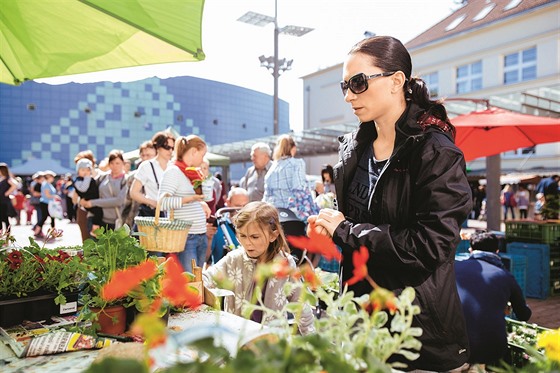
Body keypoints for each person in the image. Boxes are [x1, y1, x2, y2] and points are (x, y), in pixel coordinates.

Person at [308, 36, 472, 371]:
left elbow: (429, 246)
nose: (349, 95)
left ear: (397, 81)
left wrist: (346, 230)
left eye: (359, 82)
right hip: (358, 325)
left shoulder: (435, 152)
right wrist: (335, 228)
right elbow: (359, 234)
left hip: (417, 335)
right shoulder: (353, 150)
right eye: (345, 85)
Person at [202, 201, 315, 335]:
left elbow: (300, 304)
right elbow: (207, 278)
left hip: (271, 341)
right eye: (242, 236)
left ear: (273, 235)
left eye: (255, 237)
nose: (247, 242)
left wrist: (312, 339)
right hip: (237, 336)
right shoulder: (234, 259)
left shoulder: (284, 263)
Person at [455, 232, 531, 368]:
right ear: (497, 251)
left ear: (470, 250)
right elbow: (524, 315)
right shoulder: (504, 276)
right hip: (490, 348)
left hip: (452, 345)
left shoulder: (453, 268)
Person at [159, 135, 210, 272]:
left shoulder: (189, 172)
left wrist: (201, 204)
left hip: (199, 235)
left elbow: (189, 197)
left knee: (197, 280)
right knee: (189, 282)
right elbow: (162, 203)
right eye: (202, 154)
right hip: (186, 237)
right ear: (194, 151)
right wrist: (190, 199)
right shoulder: (174, 172)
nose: (202, 159)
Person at [263, 134, 319, 221]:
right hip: (293, 214)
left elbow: (266, 196)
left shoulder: (272, 168)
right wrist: (314, 184)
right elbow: (299, 186)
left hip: (276, 215)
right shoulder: (297, 163)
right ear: (293, 148)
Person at [129, 132, 175, 226]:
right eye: (167, 147)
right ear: (157, 147)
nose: (170, 151)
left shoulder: (173, 167)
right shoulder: (147, 166)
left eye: (172, 148)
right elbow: (134, 192)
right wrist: (153, 203)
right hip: (151, 216)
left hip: (170, 217)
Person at [79, 150, 128, 233]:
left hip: (117, 221)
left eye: (117, 163)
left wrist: (93, 202)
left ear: (123, 163)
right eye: (112, 163)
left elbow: (119, 200)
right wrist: (82, 200)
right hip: (98, 219)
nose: (114, 166)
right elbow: (89, 189)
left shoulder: (126, 180)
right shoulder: (103, 177)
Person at [210, 187, 250, 264]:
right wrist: (208, 239)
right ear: (228, 202)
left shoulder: (254, 225)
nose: (240, 210)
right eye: (237, 206)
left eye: (244, 206)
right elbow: (205, 257)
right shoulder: (219, 224)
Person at [73, 158, 103, 237]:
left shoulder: (91, 178)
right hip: (87, 201)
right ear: (78, 171)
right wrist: (87, 178)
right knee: (97, 212)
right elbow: (83, 189)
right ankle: (95, 230)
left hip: (94, 201)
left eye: (87, 170)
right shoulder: (78, 181)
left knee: (99, 213)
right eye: (83, 170)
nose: (86, 172)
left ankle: (96, 228)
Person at [72, 150, 97, 241]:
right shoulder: (80, 179)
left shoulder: (97, 174)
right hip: (83, 210)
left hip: (95, 210)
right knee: (86, 239)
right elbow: (75, 198)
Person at [33, 170, 58, 239]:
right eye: (52, 177)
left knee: (49, 217)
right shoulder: (46, 184)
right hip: (46, 203)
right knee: (45, 217)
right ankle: (37, 231)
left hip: (48, 203)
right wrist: (55, 196)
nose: (53, 178)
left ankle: (52, 232)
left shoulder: (48, 184)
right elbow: (47, 195)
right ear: (49, 177)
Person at [0, 163, 18, 230]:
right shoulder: (2, 178)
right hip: (2, 200)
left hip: (4, 201)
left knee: (4, 218)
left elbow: (15, 184)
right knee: (2, 218)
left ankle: (7, 234)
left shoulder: (8, 178)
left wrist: (7, 193)